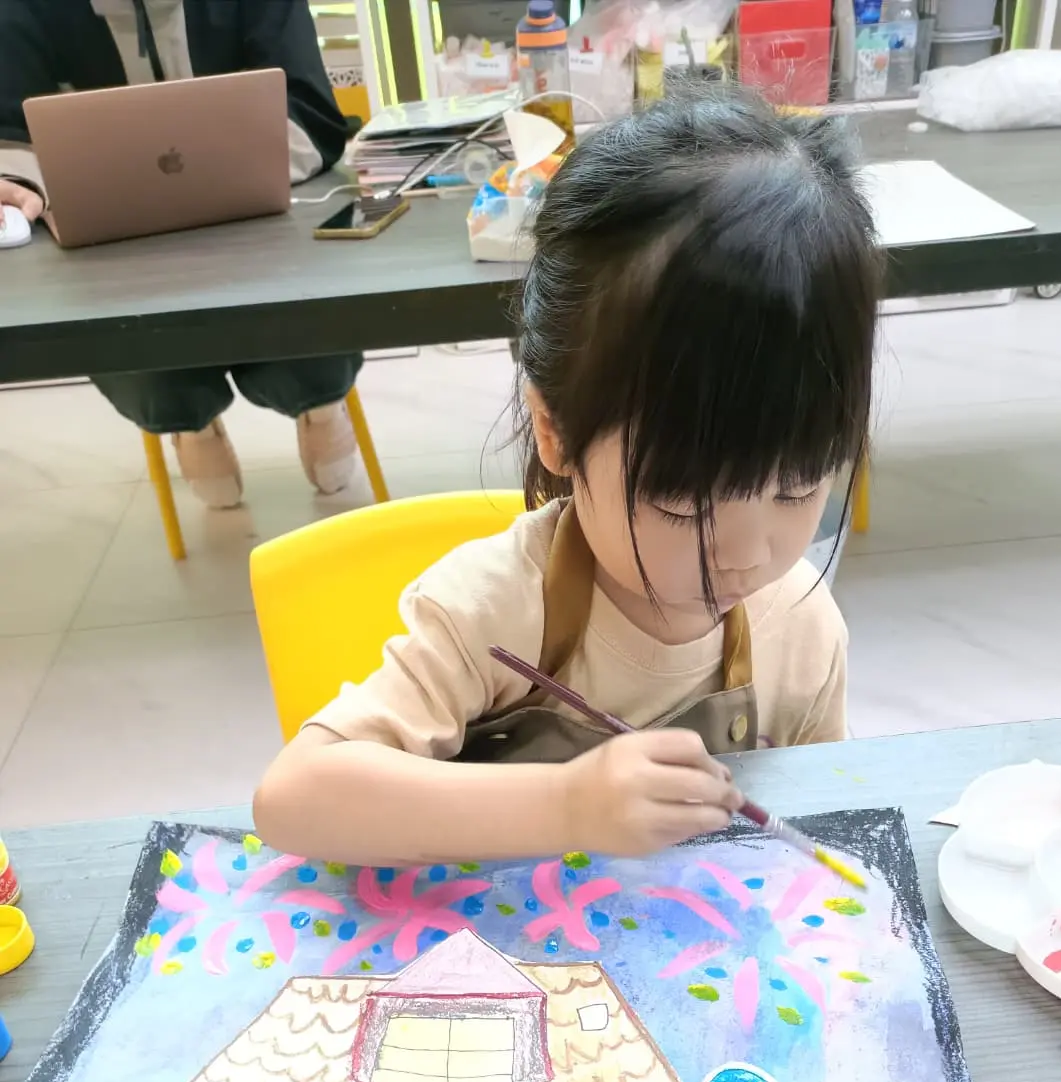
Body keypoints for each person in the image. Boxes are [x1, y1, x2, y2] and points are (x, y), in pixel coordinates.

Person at [254, 89, 878, 867]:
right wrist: (566, 805)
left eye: (797, 487)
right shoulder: (495, 611)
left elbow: (822, 829)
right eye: (684, 505)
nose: (747, 552)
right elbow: (295, 800)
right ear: (556, 429)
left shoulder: (802, 632)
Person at [0, 0, 364, 507]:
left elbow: (308, 107)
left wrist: (226, 170)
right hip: (112, 242)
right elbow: (8, 129)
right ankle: (190, 425)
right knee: (140, 353)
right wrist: (19, 184)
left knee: (304, 328)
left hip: (259, 215)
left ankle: (321, 403)